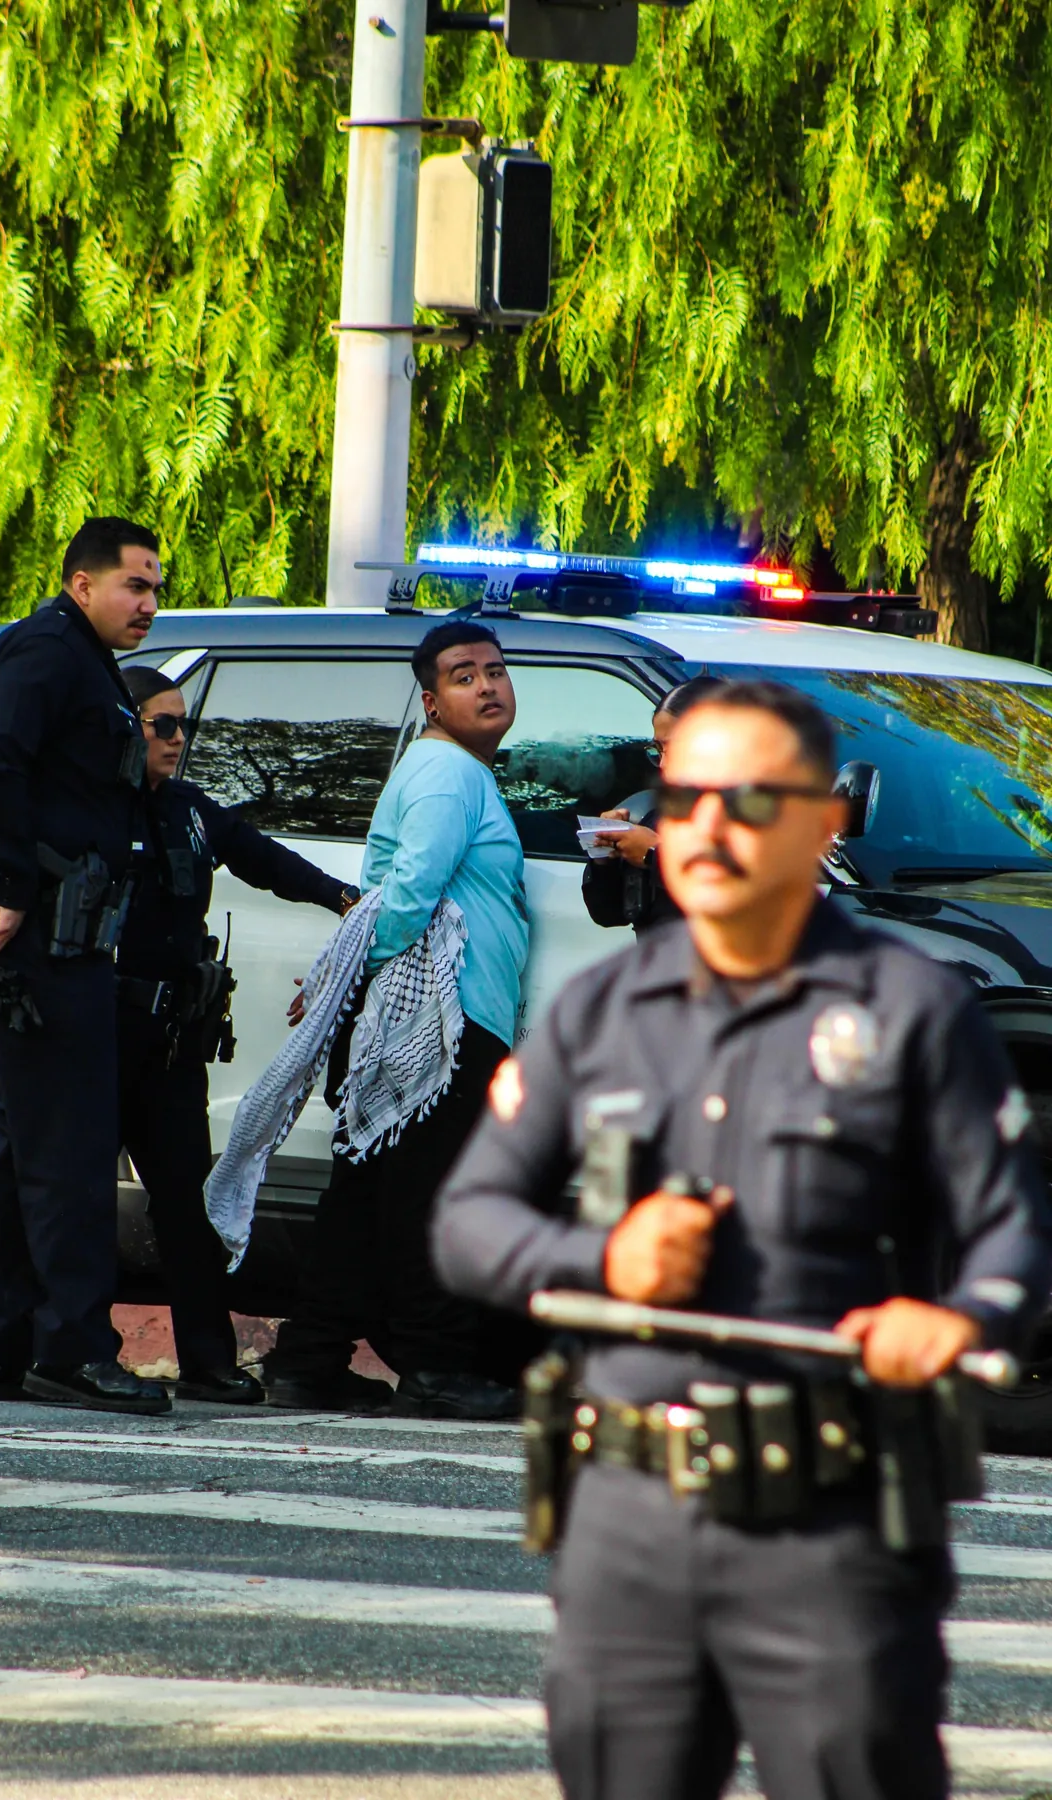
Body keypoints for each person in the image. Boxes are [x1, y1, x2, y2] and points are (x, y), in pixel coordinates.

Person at [433, 678, 1052, 1800]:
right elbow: (472, 1227)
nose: (710, 827)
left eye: (752, 799)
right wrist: (604, 1263)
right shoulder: (599, 1011)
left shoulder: (912, 1010)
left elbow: (1011, 1230)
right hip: (626, 1515)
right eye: (687, 795)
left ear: (826, 820)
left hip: (833, 1514)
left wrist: (953, 1319)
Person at [262, 621, 530, 1419]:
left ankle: (307, 1363)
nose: (486, 685)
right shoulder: (450, 774)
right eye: (463, 675)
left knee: (364, 1198)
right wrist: (349, 971)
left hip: (413, 1020)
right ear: (432, 701)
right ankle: (438, 1369)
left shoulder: (449, 767)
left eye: (495, 670)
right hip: (438, 1026)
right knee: (429, 1197)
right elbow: (409, 895)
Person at [0, 517, 170, 1417]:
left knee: (25, 1134)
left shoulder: (80, 659)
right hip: (40, 927)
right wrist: (19, 886)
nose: (150, 604)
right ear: (83, 583)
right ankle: (73, 1351)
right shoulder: (49, 653)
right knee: (73, 1142)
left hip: (60, 921)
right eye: (136, 585)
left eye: (157, 588)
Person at [117, 666, 358, 1405]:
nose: (178, 738)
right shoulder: (91, 811)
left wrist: (341, 897)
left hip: (172, 1045)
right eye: (163, 725)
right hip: (100, 1036)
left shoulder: (189, 810)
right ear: (122, 727)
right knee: (65, 1195)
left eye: (183, 725)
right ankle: (48, 1346)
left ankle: (208, 1361)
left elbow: (262, 859)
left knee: (188, 1205)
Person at [583, 674, 725, 934]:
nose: (664, 764)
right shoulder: (658, 817)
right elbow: (609, 913)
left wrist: (654, 855)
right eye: (658, 750)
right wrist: (605, 857)